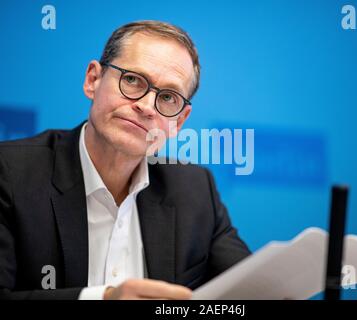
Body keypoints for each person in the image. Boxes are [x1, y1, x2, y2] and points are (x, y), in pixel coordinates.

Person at [0, 20, 250, 300]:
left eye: (168, 97)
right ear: (93, 79)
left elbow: (250, 288)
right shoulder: (10, 173)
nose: (145, 107)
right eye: (132, 80)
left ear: (179, 121)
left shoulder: (195, 189)